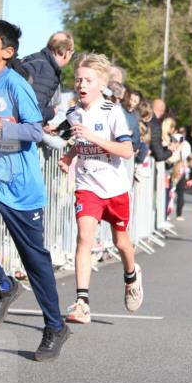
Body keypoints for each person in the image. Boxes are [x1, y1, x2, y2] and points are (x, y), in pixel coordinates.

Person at [0, 18, 69, 362]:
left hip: (21, 187)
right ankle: (4, 285)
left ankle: (55, 326)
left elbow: (34, 133)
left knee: (35, 262)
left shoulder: (16, 85)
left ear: (6, 52)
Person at [60, 52, 143, 326]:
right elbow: (77, 140)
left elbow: (127, 150)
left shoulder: (113, 113)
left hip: (115, 188)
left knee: (121, 243)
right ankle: (82, 302)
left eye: (88, 80)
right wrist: (70, 156)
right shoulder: (73, 114)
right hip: (88, 187)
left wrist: (93, 136)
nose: (81, 85)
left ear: (102, 85)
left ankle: (131, 276)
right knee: (84, 238)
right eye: (78, 79)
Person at [21, 31, 75, 126]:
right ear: (66, 52)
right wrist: (52, 112)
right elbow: (34, 114)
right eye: (72, 52)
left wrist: (44, 126)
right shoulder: (46, 71)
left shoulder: (34, 59)